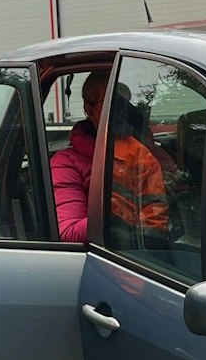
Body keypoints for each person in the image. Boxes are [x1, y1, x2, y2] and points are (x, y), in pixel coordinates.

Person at [51, 72, 173, 242]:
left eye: (125, 103)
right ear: (89, 110)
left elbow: (156, 216)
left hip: (143, 251)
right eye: (112, 101)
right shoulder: (65, 164)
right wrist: (116, 218)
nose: (121, 110)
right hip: (101, 252)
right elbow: (68, 232)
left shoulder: (140, 152)